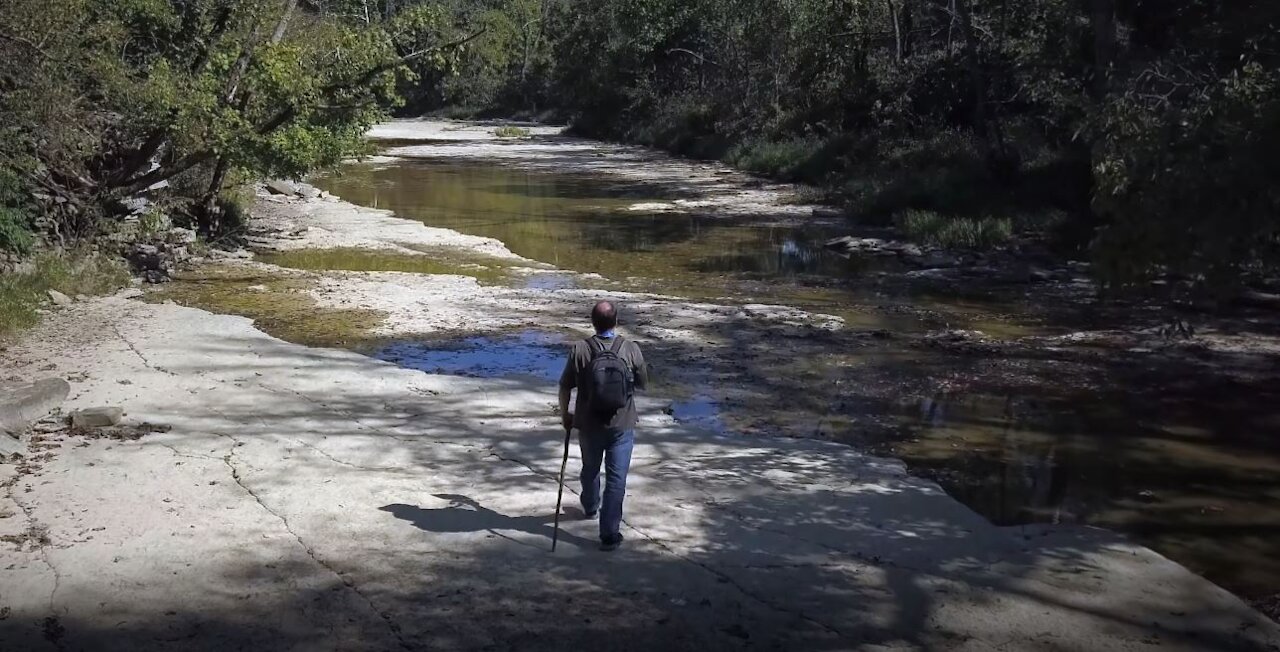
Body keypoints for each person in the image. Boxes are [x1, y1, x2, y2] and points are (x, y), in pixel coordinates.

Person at [558, 300, 648, 551]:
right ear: (616, 322)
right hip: (622, 424)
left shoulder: (580, 349)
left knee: (590, 468)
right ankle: (609, 534)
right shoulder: (630, 348)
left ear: (592, 323)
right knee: (617, 479)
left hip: (588, 423)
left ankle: (589, 504)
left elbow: (565, 385)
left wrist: (565, 414)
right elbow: (643, 383)